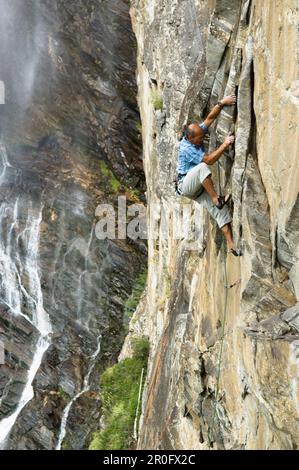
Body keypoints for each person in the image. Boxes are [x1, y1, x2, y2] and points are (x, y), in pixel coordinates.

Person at [176, 95, 241, 256]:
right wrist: (225, 144)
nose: (202, 139)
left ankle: (232, 246)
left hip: (197, 189)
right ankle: (215, 198)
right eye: (199, 138)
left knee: (220, 212)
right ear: (190, 138)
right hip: (185, 185)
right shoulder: (186, 148)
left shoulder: (196, 133)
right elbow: (209, 160)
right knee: (202, 167)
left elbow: (210, 118)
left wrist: (222, 103)